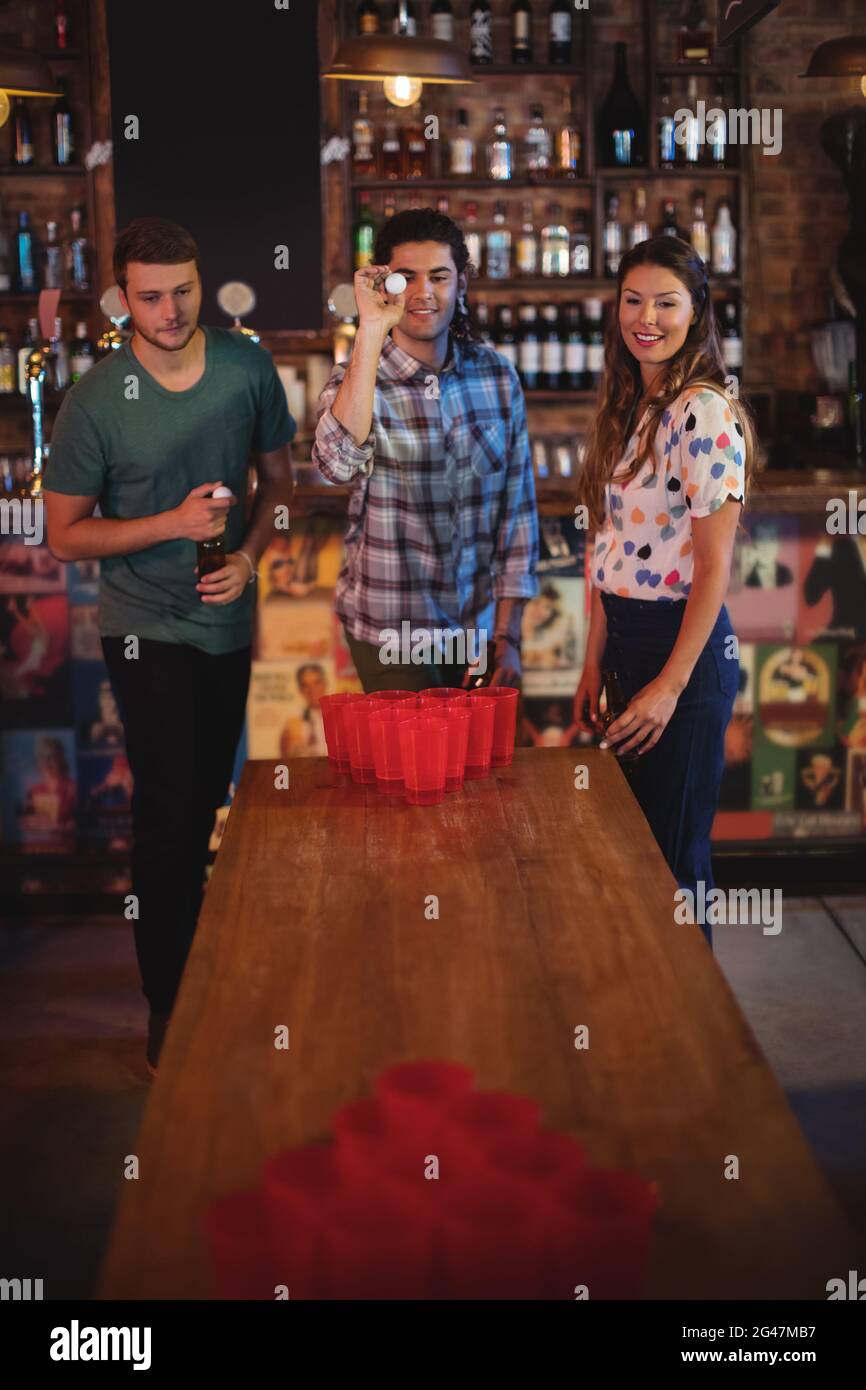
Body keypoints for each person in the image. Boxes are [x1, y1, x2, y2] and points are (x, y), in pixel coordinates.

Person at [44, 216, 296, 1074]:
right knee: (170, 805)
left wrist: (252, 559)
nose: (171, 308)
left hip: (224, 618)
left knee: (206, 804)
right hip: (142, 624)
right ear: (122, 299)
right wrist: (174, 525)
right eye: (151, 296)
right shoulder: (93, 400)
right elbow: (65, 537)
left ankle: (202, 985)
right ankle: (168, 1008)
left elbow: (282, 484)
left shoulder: (245, 366)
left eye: (183, 289)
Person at [573, 236, 756, 947]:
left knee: (674, 868)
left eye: (666, 302)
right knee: (639, 857)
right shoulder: (635, 403)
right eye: (633, 299)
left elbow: (714, 569)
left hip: (682, 651)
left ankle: (695, 1048)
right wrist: (596, 657)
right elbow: (609, 549)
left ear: (697, 311)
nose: (646, 317)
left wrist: (669, 687)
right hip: (630, 641)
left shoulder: (701, 411)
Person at [312, 207, 538, 692]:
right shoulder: (355, 382)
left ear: (461, 285)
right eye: (405, 278)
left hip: (474, 631)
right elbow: (335, 464)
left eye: (439, 276)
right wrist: (370, 327)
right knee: (414, 765)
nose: (423, 293)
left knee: (475, 766)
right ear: (383, 287)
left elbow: (517, 513)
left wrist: (509, 634)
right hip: (390, 629)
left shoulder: (496, 377)